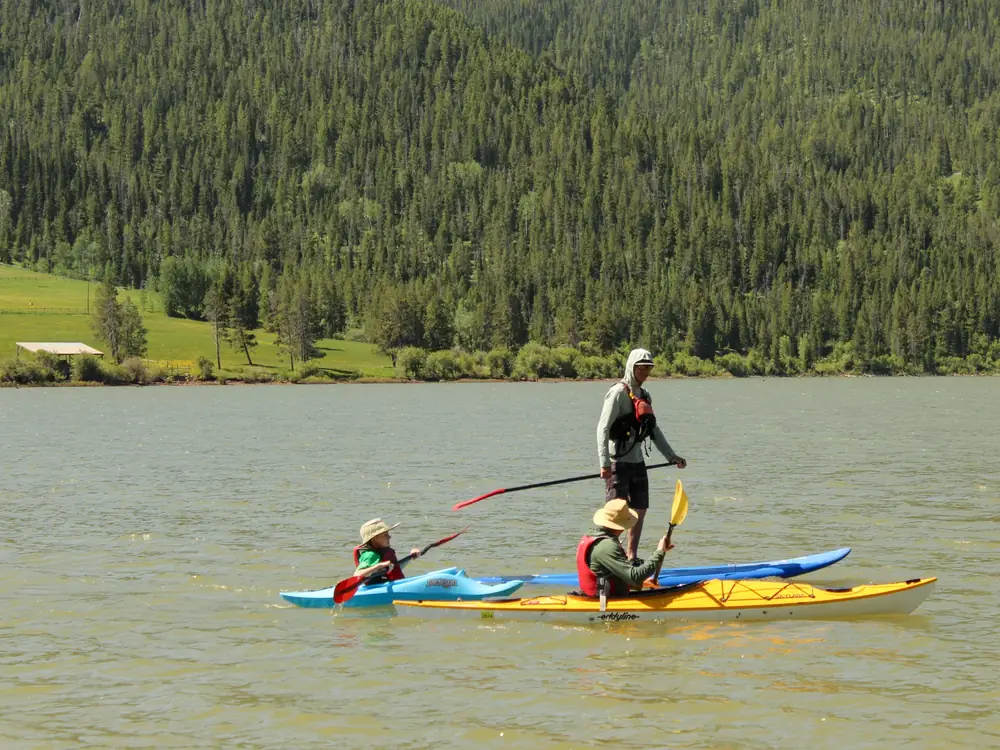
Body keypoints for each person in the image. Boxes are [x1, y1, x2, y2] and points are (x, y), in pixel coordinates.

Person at [596, 347, 686, 564]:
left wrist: (671, 456)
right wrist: (604, 463)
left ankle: (631, 557)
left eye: (648, 368)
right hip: (617, 463)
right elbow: (602, 428)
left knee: (640, 509)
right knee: (615, 513)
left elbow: (654, 431)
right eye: (642, 368)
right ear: (632, 367)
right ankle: (612, 560)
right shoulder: (617, 393)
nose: (646, 372)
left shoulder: (645, 396)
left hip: (638, 462)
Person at [576, 498, 674, 596]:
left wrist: (641, 584)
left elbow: (606, 574)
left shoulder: (589, 536)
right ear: (623, 525)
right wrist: (659, 551)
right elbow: (635, 577)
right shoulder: (607, 546)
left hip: (596, 597)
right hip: (604, 605)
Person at [353, 518, 420, 583]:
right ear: (375, 538)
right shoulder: (370, 555)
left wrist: (411, 556)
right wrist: (379, 565)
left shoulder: (381, 552)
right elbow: (357, 574)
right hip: (377, 589)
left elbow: (394, 567)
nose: (389, 537)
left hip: (389, 584)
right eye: (385, 535)